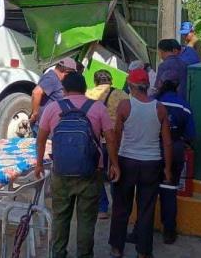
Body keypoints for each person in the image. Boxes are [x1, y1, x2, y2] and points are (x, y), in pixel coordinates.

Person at [35, 72, 120, 258]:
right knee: (87, 221)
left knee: (60, 218)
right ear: (84, 88)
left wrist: (39, 164)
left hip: (61, 172)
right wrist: (114, 164)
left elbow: (40, 140)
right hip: (90, 173)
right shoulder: (98, 108)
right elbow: (111, 139)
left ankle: (58, 254)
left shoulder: (52, 108)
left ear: (64, 89)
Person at [109, 68, 173, 258]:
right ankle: (143, 252)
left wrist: (114, 164)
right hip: (151, 163)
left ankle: (116, 247)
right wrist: (168, 169)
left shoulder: (124, 106)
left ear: (131, 86)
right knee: (146, 208)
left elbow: (117, 137)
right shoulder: (160, 108)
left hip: (127, 160)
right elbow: (167, 142)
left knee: (121, 206)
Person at [155, 71, 197, 245]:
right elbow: (191, 134)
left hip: (153, 150)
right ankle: (169, 232)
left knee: (147, 191)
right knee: (170, 190)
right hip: (176, 150)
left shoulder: (154, 103)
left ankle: (141, 230)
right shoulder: (184, 106)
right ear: (177, 87)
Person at [85, 69, 129, 219]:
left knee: (97, 176)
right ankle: (118, 207)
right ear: (111, 81)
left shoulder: (88, 94)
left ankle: (102, 208)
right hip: (116, 141)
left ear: (96, 81)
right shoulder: (121, 94)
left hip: (96, 142)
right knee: (115, 174)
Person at [29, 57, 77, 135]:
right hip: (42, 127)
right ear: (66, 72)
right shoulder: (52, 78)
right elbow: (36, 92)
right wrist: (35, 114)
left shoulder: (53, 77)